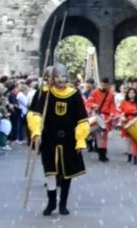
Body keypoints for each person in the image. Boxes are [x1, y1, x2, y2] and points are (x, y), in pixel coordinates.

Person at [27, 63, 89, 216]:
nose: (61, 83)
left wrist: (81, 139)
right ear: (53, 80)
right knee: (50, 171)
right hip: (49, 138)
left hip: (69, 139)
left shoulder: (74, 94)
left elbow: (82, 118)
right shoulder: (46, 94)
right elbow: (35, 114)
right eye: (58, 81)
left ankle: (63, 203)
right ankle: (51, 202)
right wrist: (36, 133)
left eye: (63, 80)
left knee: (67, 172)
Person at [86, 78, 116, 162]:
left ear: (108, 85)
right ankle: (101, 154)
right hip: (96, 115)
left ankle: (103, 153)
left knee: (104, 136)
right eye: (102, 85)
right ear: (100, 84)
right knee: (98, 135)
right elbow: (88, 103)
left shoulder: (111, 95)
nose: (104, 86)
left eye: (105, 85)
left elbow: (112, 106)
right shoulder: (94, 93)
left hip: (106, 117)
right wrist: (93, 105)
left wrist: (112, 114)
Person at [118, 88, 137, 165]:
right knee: (128, 140)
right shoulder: (123, 102)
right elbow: (119, 110)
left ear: (135, 94)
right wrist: (122, 116)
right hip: (126, 122)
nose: (131, 94)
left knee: (135, 141)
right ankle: (129, 154)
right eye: (130, 93)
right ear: (127, 94)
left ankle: (135, 157)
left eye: (133, 93)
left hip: (135, 123)